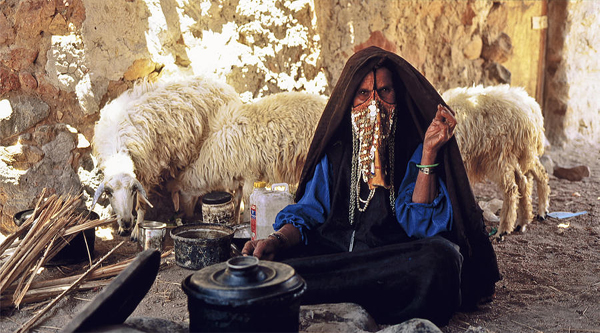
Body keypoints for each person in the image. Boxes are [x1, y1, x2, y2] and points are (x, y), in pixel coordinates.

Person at [242, 46, 500, 326]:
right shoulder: (336, 153)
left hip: (388, 262)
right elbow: (307, 214)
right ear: (349, 100)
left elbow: (419, 225)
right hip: (337, 258)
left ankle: (321, 295)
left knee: (442, 259)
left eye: (385, 92)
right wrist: (275, 239)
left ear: (397, 96)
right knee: (269, 266)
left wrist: (428, 152)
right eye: (364, 94)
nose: (374, 104)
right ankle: (370, 301)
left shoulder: (412, 149)